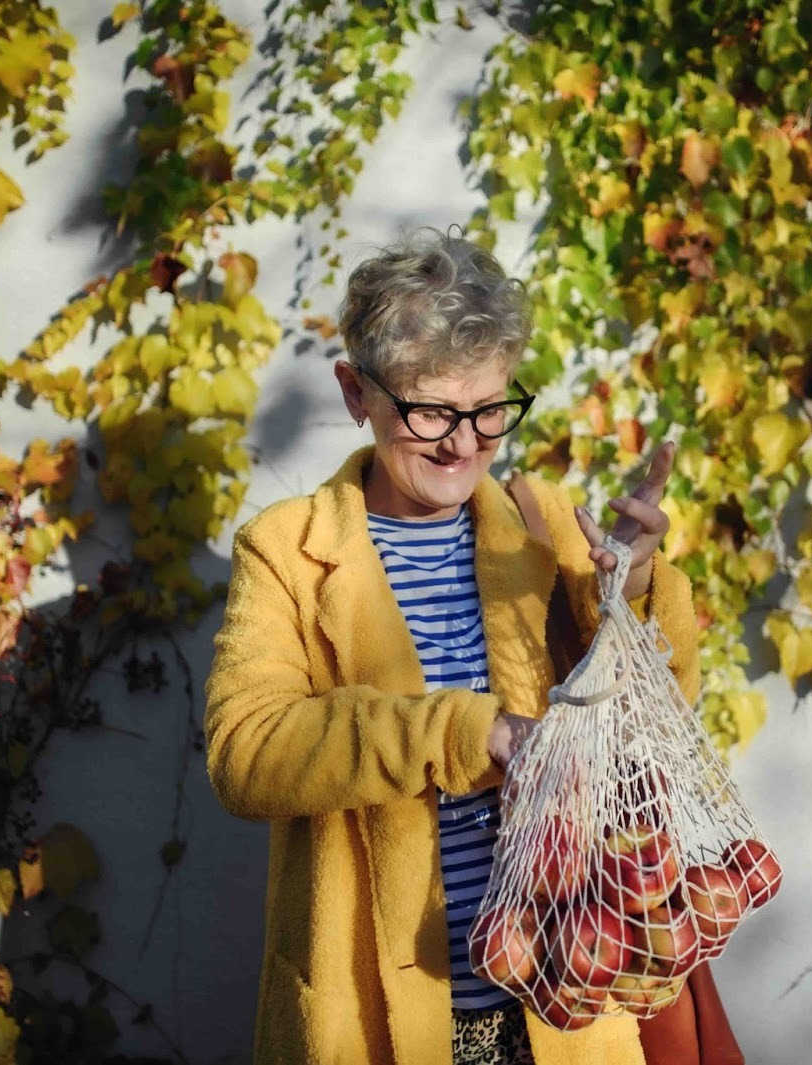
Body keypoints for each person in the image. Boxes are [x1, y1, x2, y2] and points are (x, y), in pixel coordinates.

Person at [203, 227, 701, 1065]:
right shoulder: (285, 550)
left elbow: (659, 728)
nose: (464, 443)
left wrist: (636, 594)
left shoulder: (547, 526)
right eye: (431, 410)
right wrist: (468, 734)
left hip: (562, 1007)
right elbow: (245, 754)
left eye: (489, 411)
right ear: (355, 392)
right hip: (378, 1022)